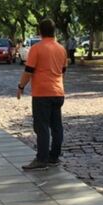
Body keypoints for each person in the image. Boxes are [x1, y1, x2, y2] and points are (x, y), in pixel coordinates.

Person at [16, 18, 68, 171]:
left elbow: (29, 71)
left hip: (42, 93)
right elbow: (63, 71)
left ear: (40, 31)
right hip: (58, 92)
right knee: (57, 126)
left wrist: (20, 86)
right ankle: (54, 157)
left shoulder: (37, 48)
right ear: (54, 31)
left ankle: (42, 159)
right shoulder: (61, 49)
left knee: (42, 126)